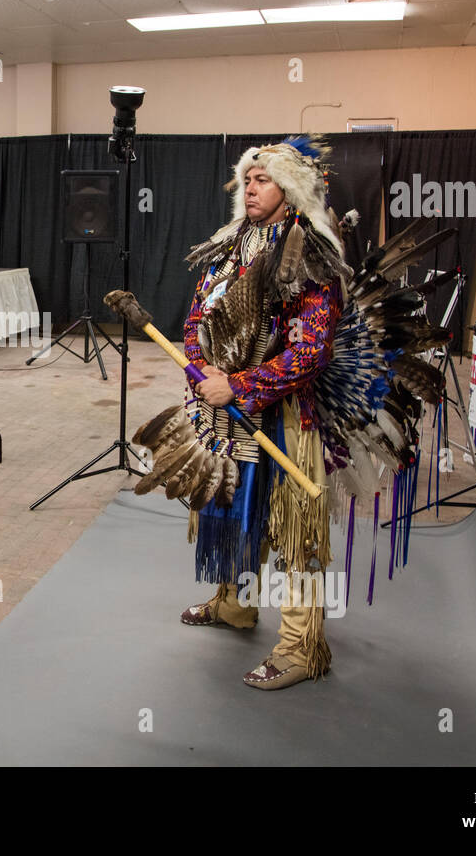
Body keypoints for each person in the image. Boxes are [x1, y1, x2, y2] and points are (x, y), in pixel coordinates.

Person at [178, 137, 347, 691]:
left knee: (293, 525)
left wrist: (242, 385)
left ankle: (301, 647)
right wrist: (201, 373)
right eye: (246, 179)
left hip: (289, 413)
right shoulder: (232, 244)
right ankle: (234, 604)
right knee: (227, 505)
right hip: (223, 404)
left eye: (263, 179)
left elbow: (309, 351)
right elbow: (196, 316)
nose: (249, 188)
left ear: (290, 188)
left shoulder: (311, 252)